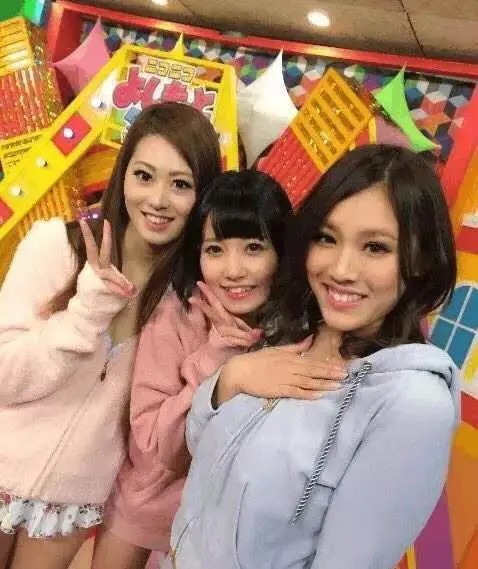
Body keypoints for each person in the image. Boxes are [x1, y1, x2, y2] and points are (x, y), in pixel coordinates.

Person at [167, 144, 461, 569]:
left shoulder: (412, 405)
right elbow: (200, 445)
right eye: (327, 238)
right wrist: (231, 377)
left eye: (375, 247)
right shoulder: (294, 326)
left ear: (418, 259)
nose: (340, 269)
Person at [0, 101, 222, 569]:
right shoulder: (56, 246)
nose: (158, 199)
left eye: (180, 184)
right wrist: (85, 312)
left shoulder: (186, 302)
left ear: (201, 197)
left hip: (69, 505)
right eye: (144, 176)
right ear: (123, 177)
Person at [97, 170, 348, 569]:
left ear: (282, 252)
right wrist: (219, 362)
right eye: (215, 250)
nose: (233, 270)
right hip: (148, 507)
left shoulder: (301, 330)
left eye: (253, 248)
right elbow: (151, 448)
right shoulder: (175, 318)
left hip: (226, 530)